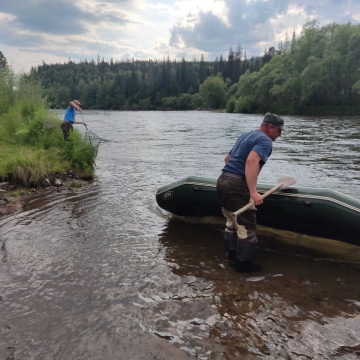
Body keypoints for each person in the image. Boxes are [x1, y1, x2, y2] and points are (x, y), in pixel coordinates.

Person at [216, 112, 284, 273]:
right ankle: (243, 265)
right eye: (279, 131)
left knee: (232, 221)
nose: (279, 135)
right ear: (270, 127)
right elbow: (252, 160)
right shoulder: (265, 140)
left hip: (223, 180)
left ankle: (232, 257)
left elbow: (227, 159)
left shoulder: (246, 136)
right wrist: (253, 192)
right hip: (236, 185)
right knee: (246, 225)